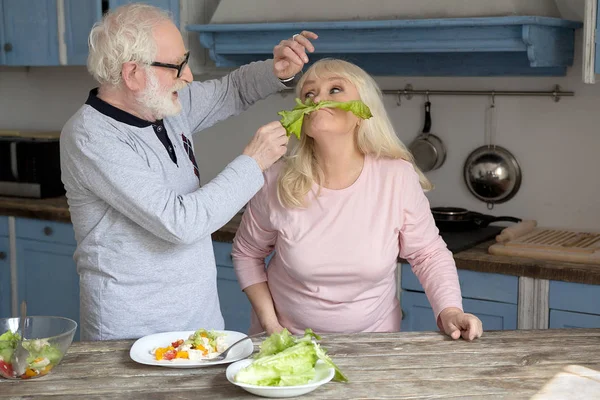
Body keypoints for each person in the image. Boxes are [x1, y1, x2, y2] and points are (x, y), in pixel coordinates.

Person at [60, 2, 317, 340]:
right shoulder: (92, 137)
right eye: (177, 66)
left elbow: (232, 90)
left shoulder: (164, 106)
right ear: (133, 73)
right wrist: (253, 163)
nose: (188, 76)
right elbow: (180, 223)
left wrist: (277, 71)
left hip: (200, 324)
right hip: (128, 336)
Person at [231, 59, 484, 341]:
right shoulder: (276, 180)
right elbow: (246, 254)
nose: (318, 99)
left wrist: (450, 311)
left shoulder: (396, 177)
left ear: (362, 111)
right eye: (309, 94)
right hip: (288, 341)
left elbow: (428, 254)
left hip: (373, 343)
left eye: (335, 89)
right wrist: (271, 325)